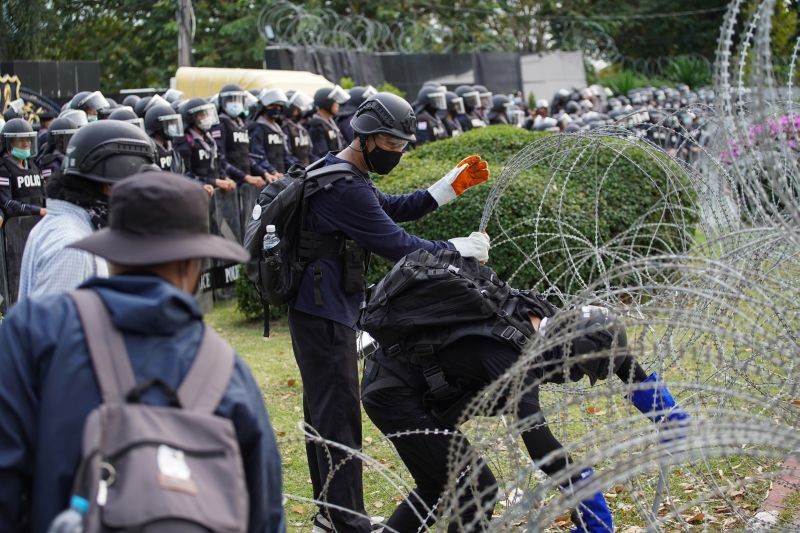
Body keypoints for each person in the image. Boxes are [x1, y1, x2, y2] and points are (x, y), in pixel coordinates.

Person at [0, 171, 285, 533]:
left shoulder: (35, 331)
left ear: (112, 250)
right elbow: (265, 517)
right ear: (193, 265)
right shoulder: (230, 374)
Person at [361, 250, 689, 532]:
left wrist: (667, 415)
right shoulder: (513, 359)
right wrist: (585, 493)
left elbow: (613, 352)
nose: (569, 378)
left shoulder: (547, 319)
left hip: (401, 378)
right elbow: (540, 442)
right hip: (394, 395)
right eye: (575, 371)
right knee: (477, 488)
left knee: (440, 487)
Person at [286, 91, 491, 533]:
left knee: (326, 411)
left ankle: (334, 515)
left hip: (326, 307)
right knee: (336, 414)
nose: (397, 152)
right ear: (368, 138)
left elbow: (389, 209)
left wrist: (447, 188)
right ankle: (347, 522)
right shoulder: (341, 185)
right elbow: (398, 245)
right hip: (323, 312)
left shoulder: (343, 174)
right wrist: (459, 249)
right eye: (393, 145)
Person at [17, 120, 157, 299]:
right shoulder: (74, 248)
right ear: (110, 185)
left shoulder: (67, 227)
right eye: (135, 188)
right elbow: (52, 325)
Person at [174, 97, 234, 197]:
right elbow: (185, 174)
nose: (207, 118)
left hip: (215, 196)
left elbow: (218, 164)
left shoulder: (209, 139)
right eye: (202, 115)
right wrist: (211, 182)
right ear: (191, 118)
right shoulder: (185, 143)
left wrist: (225, 177)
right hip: (196, 196)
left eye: (207, 114)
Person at [214, 83, 267, 190]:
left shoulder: (242, 124)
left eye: (238, 100)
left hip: (246, 183)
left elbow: (246, 156)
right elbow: (221, 160)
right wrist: (246, 177)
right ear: (222, 102)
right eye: (231, 100)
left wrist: (265, 173)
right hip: (230, 184)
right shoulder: (220, 124)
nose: (235, 104)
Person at [0, 118, 46, 226]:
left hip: (38, 227)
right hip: (16, 232)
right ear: (10, 143)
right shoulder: (3, 168)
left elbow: (44, 195)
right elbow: (6, 203)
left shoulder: (33, 166)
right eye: (21, 140)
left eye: (28, 139)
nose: (26, 144)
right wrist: (38, 211)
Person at [250, 88, 298, 178]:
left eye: (279, 106)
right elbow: (258, 156)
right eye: (272, 105)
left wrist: (297, 169)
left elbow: (286, 155)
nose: (276, 108)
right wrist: (272, 171)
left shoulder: (279, 128)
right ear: (263, 107)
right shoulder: (258, 128)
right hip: (268, 177)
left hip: (281, 175)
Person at [35, 111, 86, 182]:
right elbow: (50, 190)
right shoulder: (51, 164)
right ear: (58, 141)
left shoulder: (70, 160)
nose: (71, 142)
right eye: (68, 138)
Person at [307, 85, 350, 161]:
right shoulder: (316, 125)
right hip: (330, 168)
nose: (338, 104)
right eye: (335, 101)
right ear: (326, 103)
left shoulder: (331, 122)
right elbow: (323, 154)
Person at [144, 103, 185, 174]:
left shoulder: (172, 149)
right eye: (170, 123)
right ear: (157, 126)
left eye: (174, 123)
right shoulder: (150, 152)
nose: (173, 126)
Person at [282, 91, 314, 167]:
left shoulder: (301, 128)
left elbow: (309, 153)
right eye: (296, 108)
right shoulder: (284, 127)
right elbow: (287, 155)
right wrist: (302, 168)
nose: (299, 111)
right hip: (295, 171)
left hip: (305, 168)